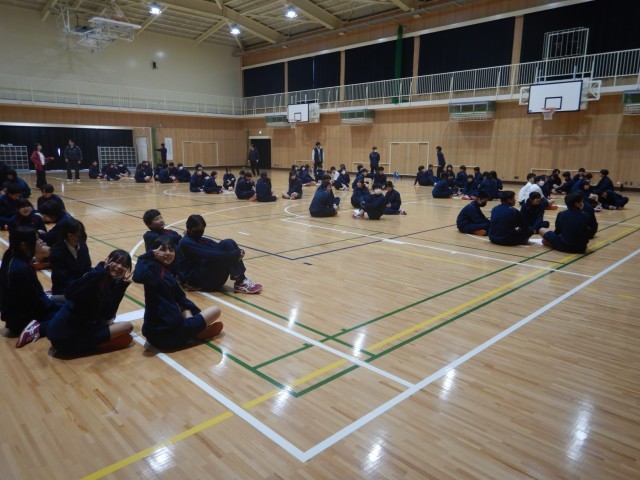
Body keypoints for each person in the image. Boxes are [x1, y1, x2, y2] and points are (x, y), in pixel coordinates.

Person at [133, 237, 224, 350]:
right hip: (171, 337)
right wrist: (146, 255)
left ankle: (195, 330)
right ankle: (196, 332)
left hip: (152, 335)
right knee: (216, 310)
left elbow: (182, 299)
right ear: (155, 252)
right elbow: (137, 277)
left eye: (171, 250)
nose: (168, 253)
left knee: (185, 308)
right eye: (163, 250)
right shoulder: (154, 271)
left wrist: (197, 317)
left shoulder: (164, 271)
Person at [45, 250, 134, 355]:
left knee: (114, 323)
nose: (119, 266)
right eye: (117, 262)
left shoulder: (109, 280)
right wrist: (101, 274)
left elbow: (108, 314)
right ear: (107, 260)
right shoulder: (96, 275)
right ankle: (78, 346)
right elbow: (69, 292)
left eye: (124, 265)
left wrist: (120, 288)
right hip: (66, 335)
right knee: (127, 329)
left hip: (71, 330)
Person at [0, 227, 60, 346]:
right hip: (22, 320)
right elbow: (37, 303)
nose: (41, 241)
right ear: (24, 245)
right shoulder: (20, 269)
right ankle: (38, 328)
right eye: (37, 239)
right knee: (70, 314)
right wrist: (59, 307)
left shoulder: (11, 255)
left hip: (13, 317)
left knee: (63, 302)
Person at [178, 214, 262, 294]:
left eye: (202, 228)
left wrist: (239, 251)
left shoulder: (201, 240)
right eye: (197, 228)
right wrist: (236, 254)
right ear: (189, 228)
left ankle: (240, 281)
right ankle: (240, 281)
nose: (200, 230)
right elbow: (211, 254)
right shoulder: (185, 242)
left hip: (210, 278)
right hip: (199, 282)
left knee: (228, 242)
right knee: (225, 252)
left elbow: (220, 248)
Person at [49, 218, 92, 298]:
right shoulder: (56, 253)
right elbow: (63, 279)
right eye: (79, 235)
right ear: (70, 236)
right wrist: (82, 285)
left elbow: (87, 267)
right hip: (64, 290)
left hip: (80, 286)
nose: (82, 237)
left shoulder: (83, 246)